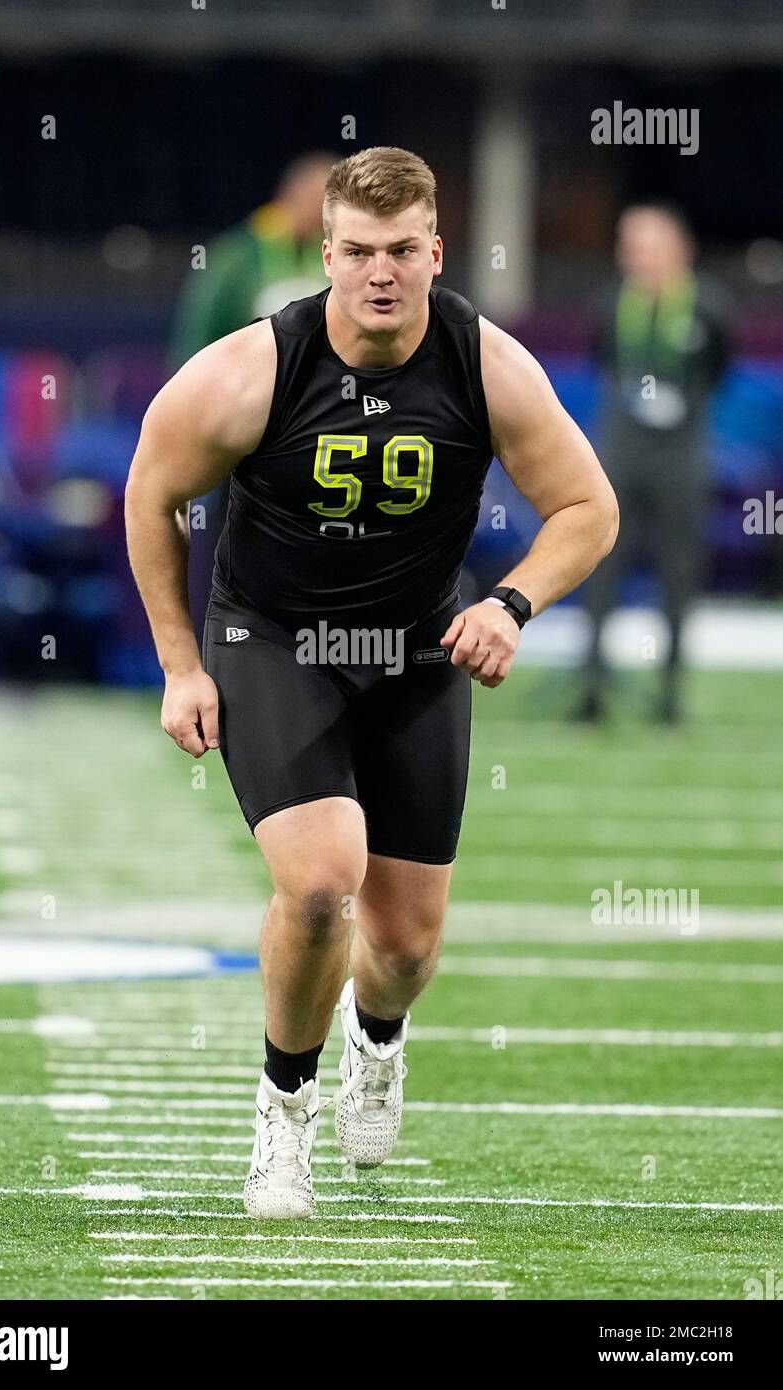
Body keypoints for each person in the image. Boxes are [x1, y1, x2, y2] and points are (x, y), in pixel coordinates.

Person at [125, 146, 618, 1219]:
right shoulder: (254, 367)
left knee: (401, 951)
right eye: (357, 252)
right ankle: (281, 1114)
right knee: (317, 882)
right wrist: (176, 662)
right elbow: (151, 490)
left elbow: (586, 508)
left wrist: (509, 603)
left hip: (415, 650)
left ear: (436, 252)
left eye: (401, 251)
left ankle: (377, 1040)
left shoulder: (486, 363)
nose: (379, 273)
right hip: (274, 641)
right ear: (326, 253)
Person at [576, 203, 732, 723]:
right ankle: (593, 688)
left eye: (651, 245)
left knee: (679, 569)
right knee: (600, 562)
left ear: (679, 249)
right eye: (632, 246)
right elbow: (603, 361)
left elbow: (718, 368)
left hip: (681, 452)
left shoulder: (708, 305)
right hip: (621, 449)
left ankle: (669, 693)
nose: (639, 257)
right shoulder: (610, 301)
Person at [169, 153, 334, 642]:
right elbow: (196, 346)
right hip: (246, 440)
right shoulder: (237, 259)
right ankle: (214, 655)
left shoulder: (347, 257)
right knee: (229, 551)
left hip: (321, 437)